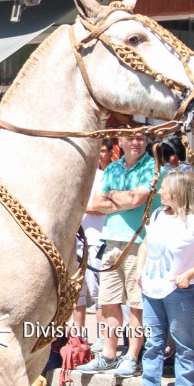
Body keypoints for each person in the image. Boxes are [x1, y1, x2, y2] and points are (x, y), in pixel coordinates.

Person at [77, 131, 162, 378]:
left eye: (140, 138)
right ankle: (109, 355)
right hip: (111, 241)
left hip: (140, 242)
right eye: (130, 138)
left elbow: (138, 198)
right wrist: (126, 198)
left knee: (137, 305)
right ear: (120, 142)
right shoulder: (112, 168)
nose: (136, 142)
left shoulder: (152, 167)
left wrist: (113, 197)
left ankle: (132, 357)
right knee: (108, 301)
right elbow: (94, 202)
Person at [137, 172, 194, 386]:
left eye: (163, 188)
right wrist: (140, 270)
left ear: (175, 192)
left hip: (180, 292)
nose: (160, 191)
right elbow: (146, 243)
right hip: (152, 291)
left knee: (184, 345)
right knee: (153, 344)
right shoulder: (157, 215)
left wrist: (189, 275)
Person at [73, 139, 115, 349]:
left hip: (97, 241)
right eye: (97, 151)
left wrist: (79, 208)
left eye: (104, 151)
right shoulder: (81, 175)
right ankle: (78, 337)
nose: (99, 155)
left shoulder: (108, 177)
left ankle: (101, 337)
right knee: (76, 293)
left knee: (99, 293)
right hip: (76, 241)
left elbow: (105, 208)